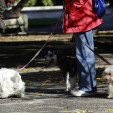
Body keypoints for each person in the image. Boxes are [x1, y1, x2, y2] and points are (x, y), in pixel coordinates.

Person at [63, 0, 103, 96]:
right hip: (79, 18)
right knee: (81, 55)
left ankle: (88, 88)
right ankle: (85, 86)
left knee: (85, 55)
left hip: (81, 18)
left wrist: (70, 8)